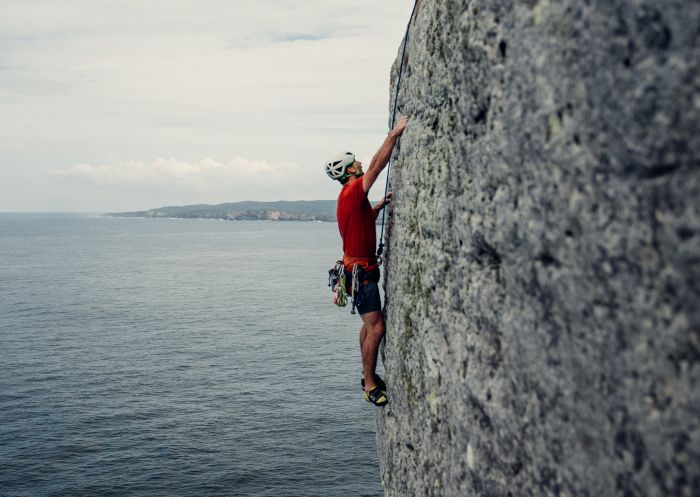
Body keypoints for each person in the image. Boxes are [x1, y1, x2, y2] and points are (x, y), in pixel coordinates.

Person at [324, 115, 409, 406]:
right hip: (361, 275)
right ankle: (370, 383)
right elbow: (377, 166)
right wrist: (394, 134)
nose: (359, 164)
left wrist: (378, 206)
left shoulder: (348, 198)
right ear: (348, 171)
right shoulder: (352, 190)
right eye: (354, 163)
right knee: (377, 328)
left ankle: (366, 374)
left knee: (367, 325)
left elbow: (360, 222)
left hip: (356, 273)